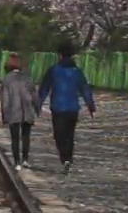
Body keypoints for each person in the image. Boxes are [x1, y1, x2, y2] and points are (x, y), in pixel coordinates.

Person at [37, 41, 95, 174]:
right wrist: (91, 106)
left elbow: (44, 89)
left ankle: (65, 158)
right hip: (73, 108)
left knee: (59, 135)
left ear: (60, 55)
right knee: (70, 135)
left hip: (58, 108)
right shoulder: (77, 71)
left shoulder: (53, 70)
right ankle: (68, 158)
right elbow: (85, 89)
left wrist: (38, 105)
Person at [0, 53, 39, 170]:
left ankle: (17, 162)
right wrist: (37, 109)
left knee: (15, 138)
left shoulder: (6, 80)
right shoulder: (27, 78)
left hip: (13, 112)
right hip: (27, 111)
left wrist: (4, 116)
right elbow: (34, 95)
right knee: (26, 136)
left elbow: (5, 100)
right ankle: (25, 159)